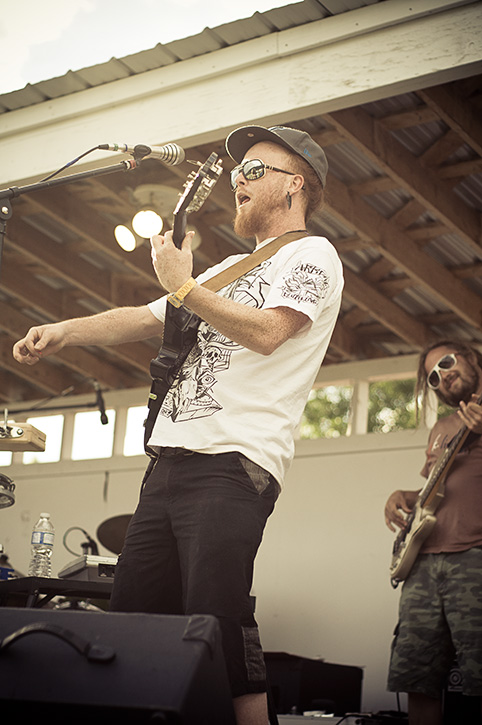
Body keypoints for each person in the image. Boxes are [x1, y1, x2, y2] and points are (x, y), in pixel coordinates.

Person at [12, 125, 344, 724]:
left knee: (219, 617)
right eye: (235, 172)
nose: (237, 182)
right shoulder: (232, 265)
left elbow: (269, 332)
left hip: (233, 464)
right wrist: (65, 331)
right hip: (168, 465)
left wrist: (186, 286)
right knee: (133, 620)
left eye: (252, 172)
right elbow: (145, 316)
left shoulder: (311, 254)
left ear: (294, 184)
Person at [384, 340, 482, 725]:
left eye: (446, 363)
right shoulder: (441, 428)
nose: (442, 376)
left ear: (471, 358)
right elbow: (435, 491)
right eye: (433, 376)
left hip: (474, 556)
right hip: (423, 564)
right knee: (418, 677)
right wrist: (400, 496)